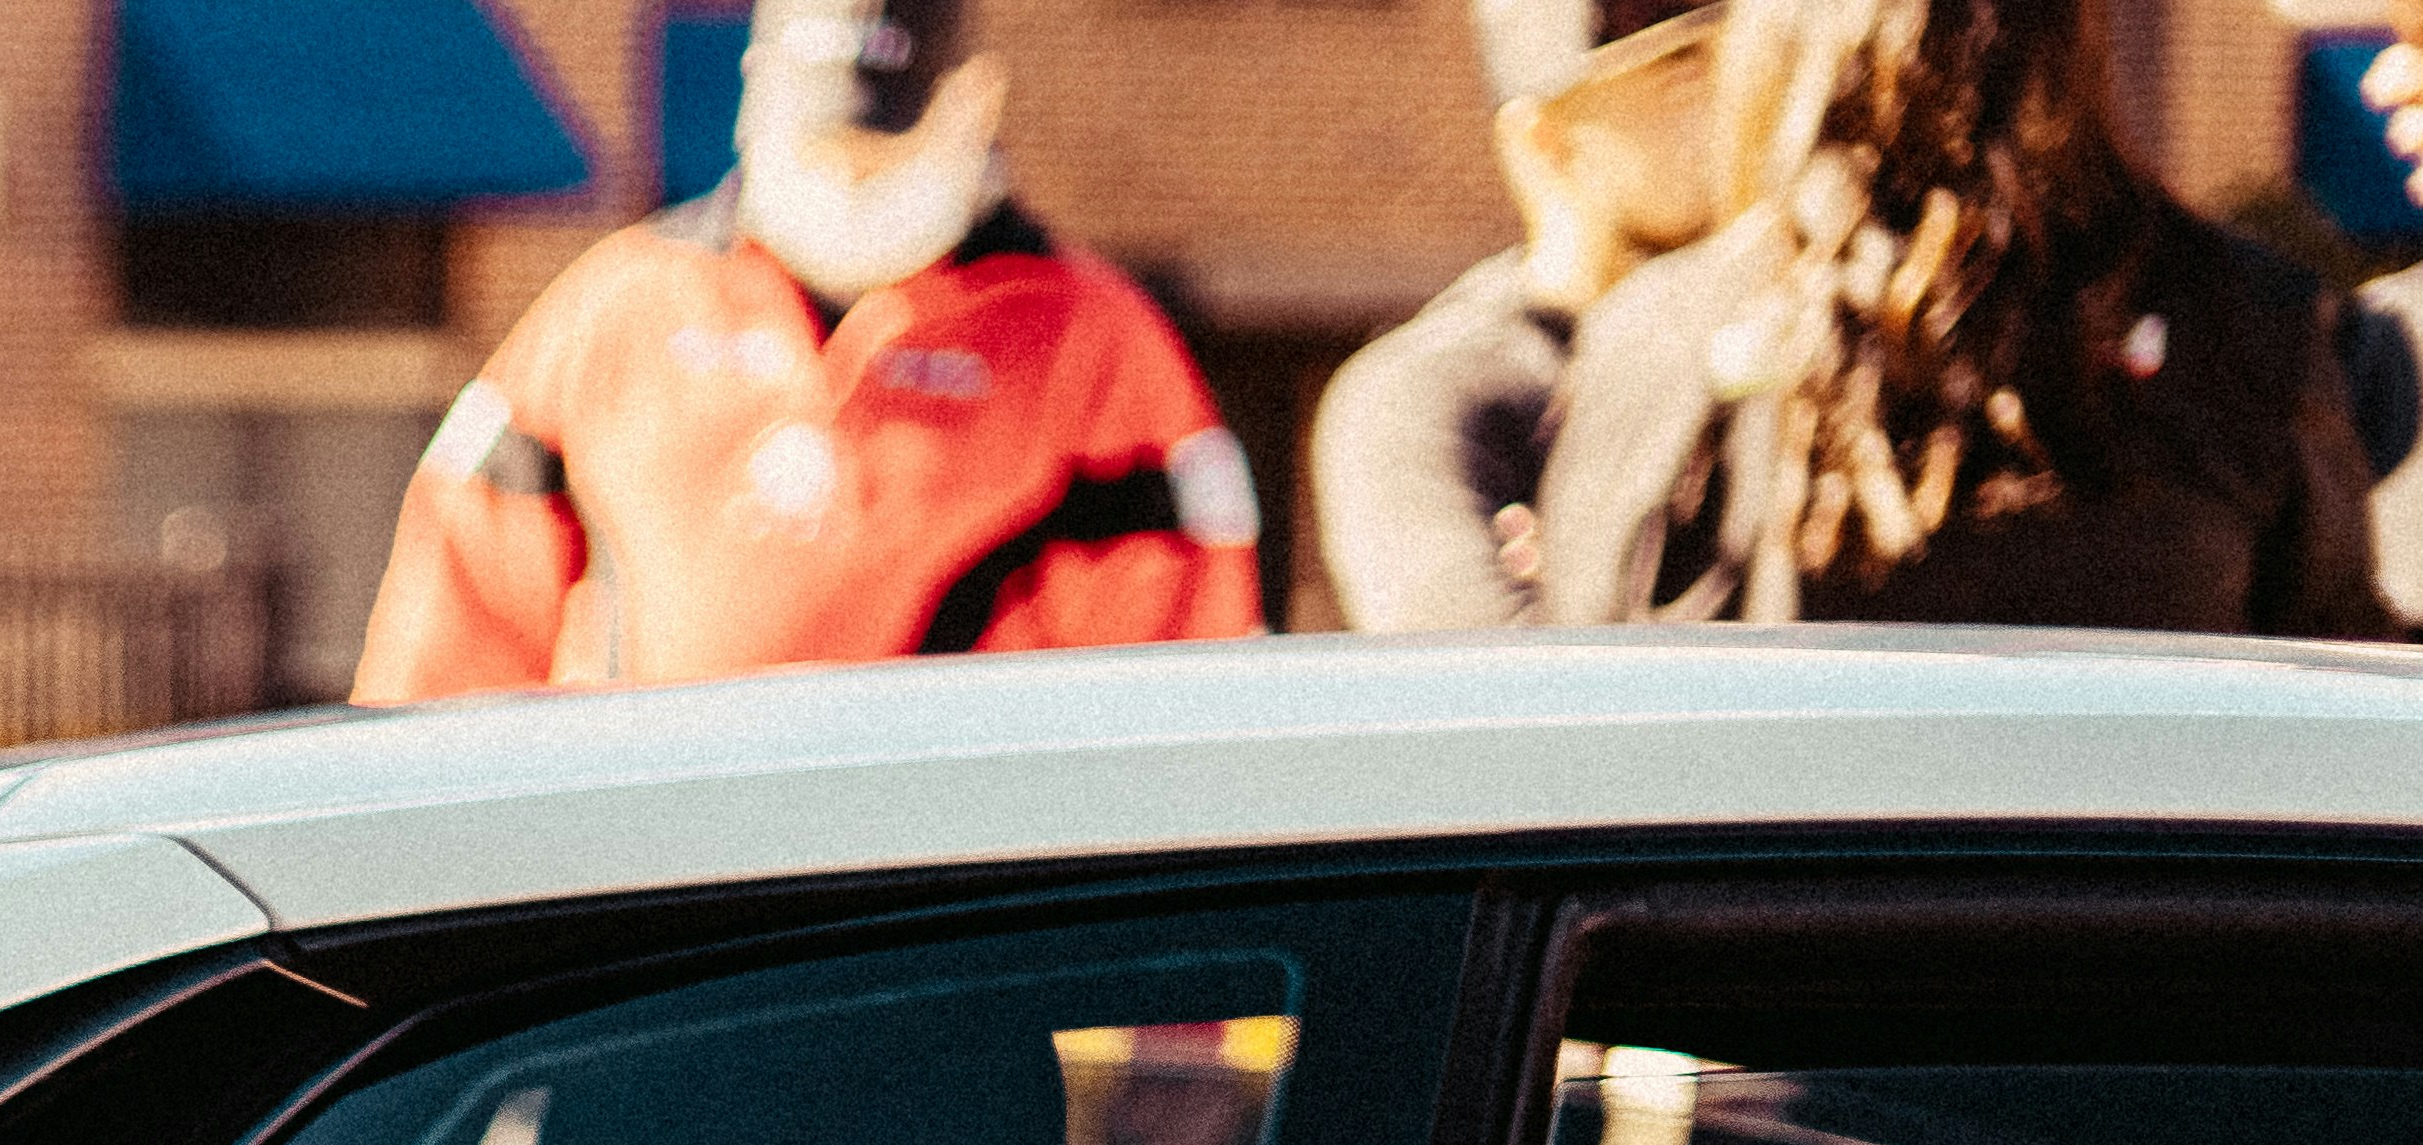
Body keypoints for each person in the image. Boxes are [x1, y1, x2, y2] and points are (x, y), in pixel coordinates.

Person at [353, 0, 1262, 699]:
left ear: (972, 103)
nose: (847, 181)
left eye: (880, 148)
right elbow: (449, 629)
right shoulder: (612, 310)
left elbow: (1179, 682)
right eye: (820, 143)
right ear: (752, 96)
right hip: (633, 885)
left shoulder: (1093, 348)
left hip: (935, 908)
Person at [1525, 0, 2387, 628]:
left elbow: (1583, 714)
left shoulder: (1666, 332)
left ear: (1776, 50)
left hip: (1777, 878)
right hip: (2155, 873)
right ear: (2078, 50)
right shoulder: (2246, 321)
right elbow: (2335, 694)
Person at [1314, 0, 1742, 628]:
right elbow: (1495, 698)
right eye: (1680, 78)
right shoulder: (1421, 396)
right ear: (1547, 139)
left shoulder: (1790, 345)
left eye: (1735, 64)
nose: (1731, 103)